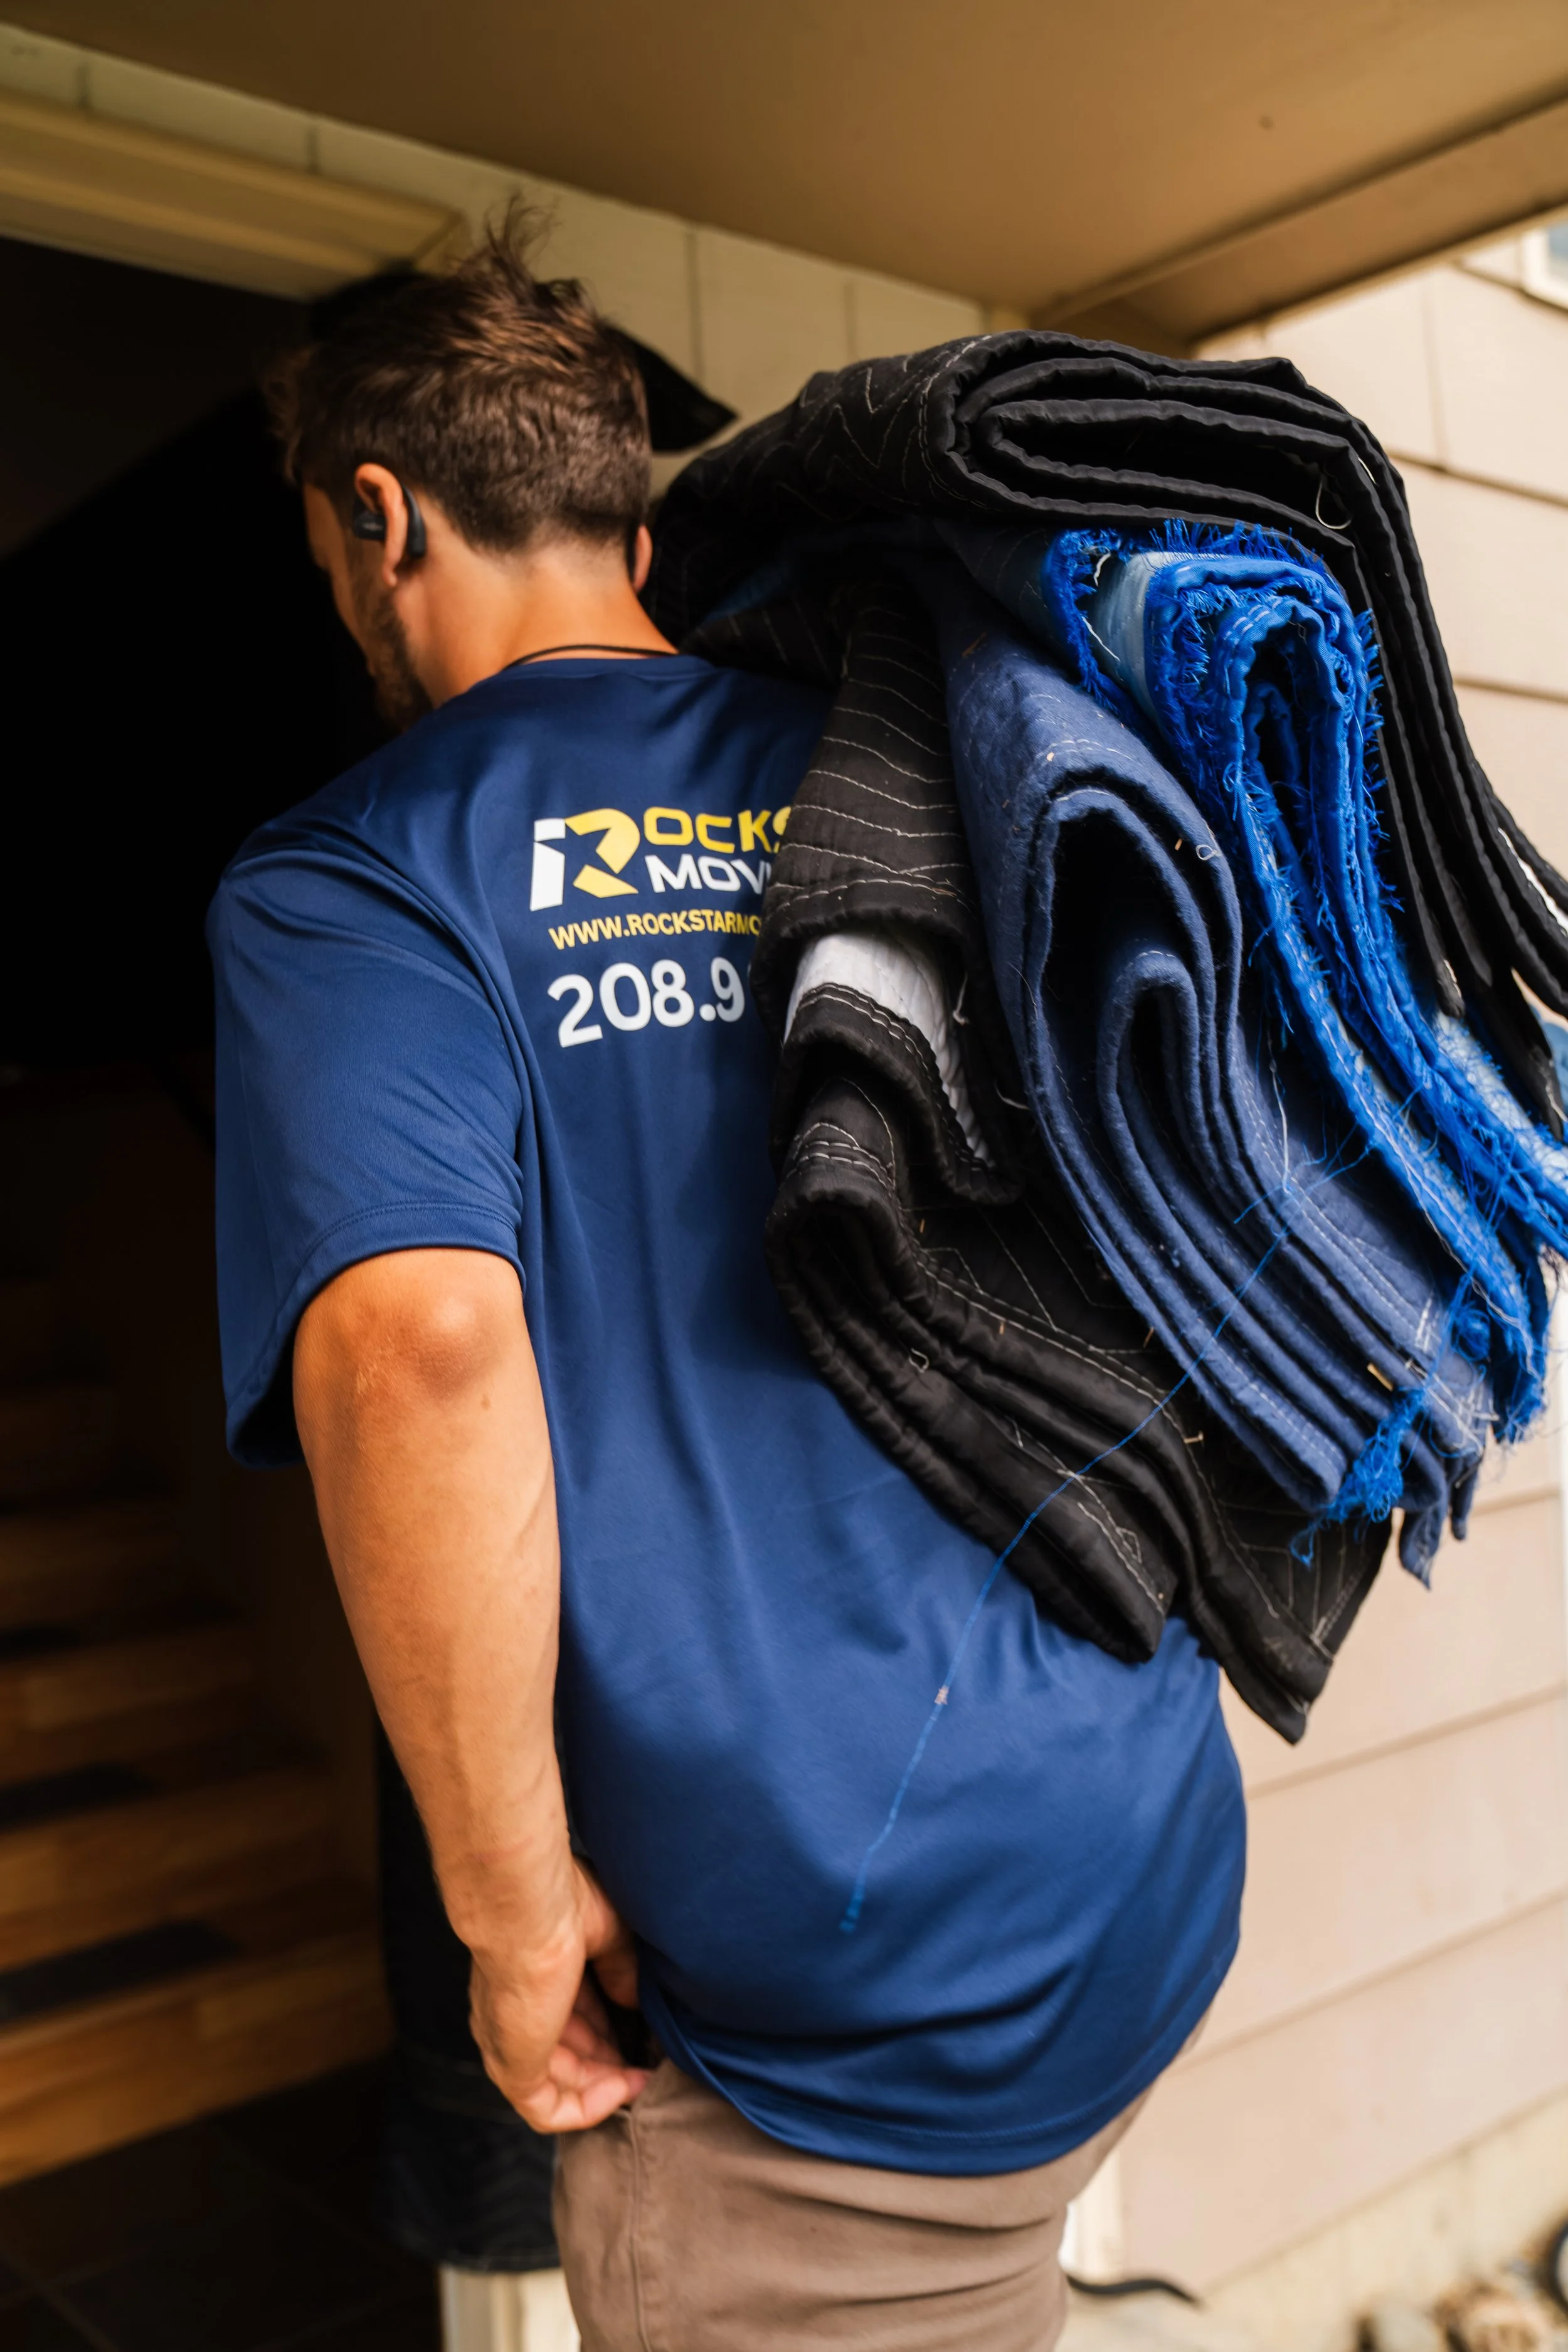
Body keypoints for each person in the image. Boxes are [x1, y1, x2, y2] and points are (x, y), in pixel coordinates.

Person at [208, 225, 1246, 2351]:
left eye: (329, 550)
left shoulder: (355, 873)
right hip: (1131, 1838)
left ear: (378, 518)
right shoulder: (909, 751)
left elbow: (417, 1346)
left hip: (828, 2016)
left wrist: (506, 1926)